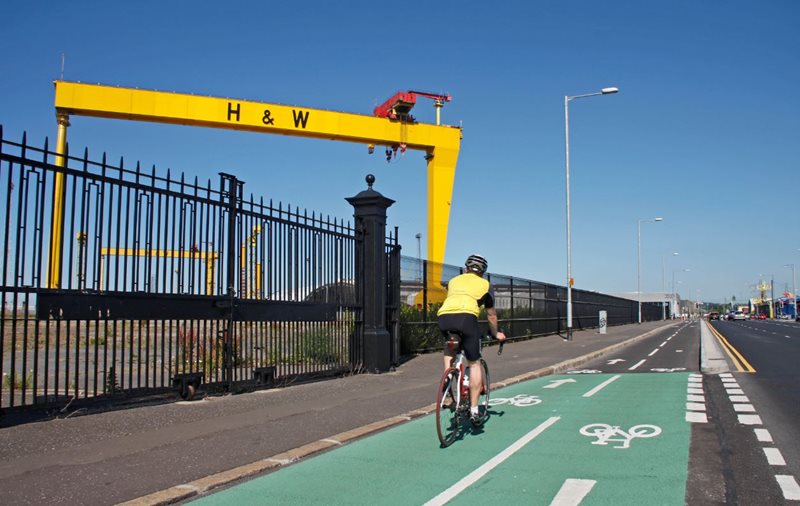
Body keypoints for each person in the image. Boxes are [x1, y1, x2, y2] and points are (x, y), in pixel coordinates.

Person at [437, 254, 506, 424]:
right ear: (483, 271)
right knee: (474, 363)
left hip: (444, 318)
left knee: (450, 348)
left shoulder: (454, 280)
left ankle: (447, 378)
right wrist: (496, 333)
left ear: (466, 268)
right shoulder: (485, 285)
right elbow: (491, 315)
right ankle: (474, 410)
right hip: (466, 319)